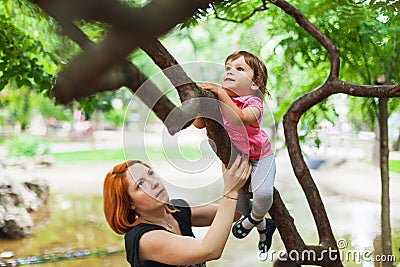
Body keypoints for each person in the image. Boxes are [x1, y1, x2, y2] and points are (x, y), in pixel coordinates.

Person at [193, 51, 277, 257]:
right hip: (234, 162)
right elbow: (198, 124)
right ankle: (265, 226)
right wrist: (202, 102)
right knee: (238, 206)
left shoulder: (253, 102)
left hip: (260, 157)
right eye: (228, 68)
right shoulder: (217, 99)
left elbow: (240, 119)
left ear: (255, 83)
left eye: (239, 69)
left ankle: (253, 221)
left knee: (264, 194)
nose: (230, 72)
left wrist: (220, 94)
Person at [103, 155, 251, 267]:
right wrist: (230, 190)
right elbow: (210, 250)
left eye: (150, 174)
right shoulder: (145, 239)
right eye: (141, 184)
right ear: (129, 204)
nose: (153, 183)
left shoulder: (175, 209)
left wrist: (241, 173)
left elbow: (235, 213)